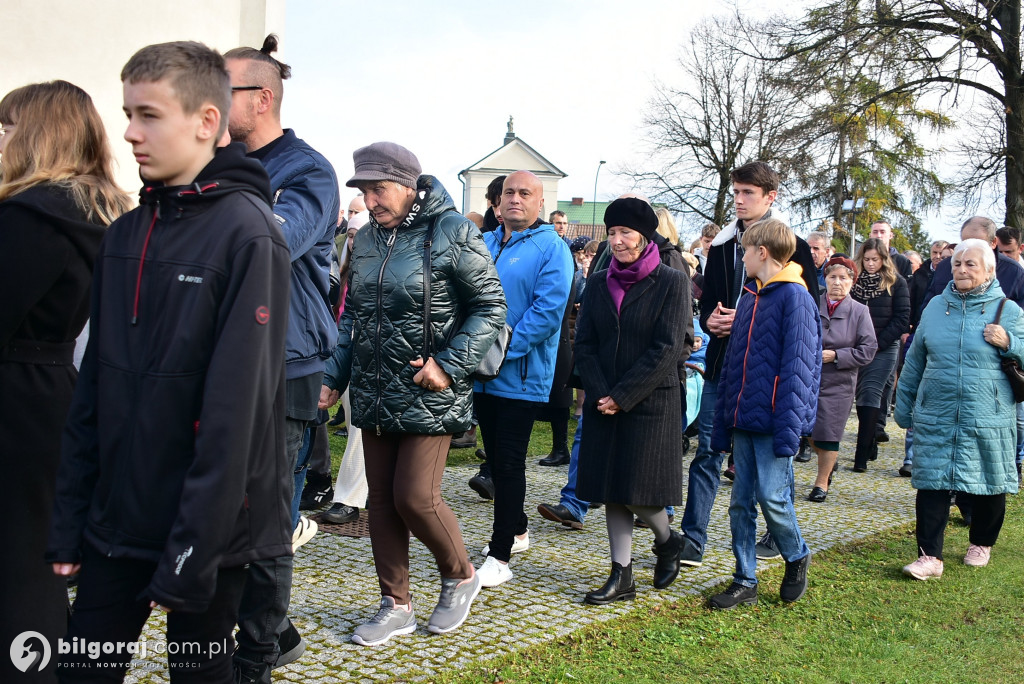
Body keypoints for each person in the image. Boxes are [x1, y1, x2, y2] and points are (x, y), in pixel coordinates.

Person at [46, 41, 292, 680]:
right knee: (82, 668)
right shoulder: (125, 233)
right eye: (128, 113)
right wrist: (70, 521)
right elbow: (93, 390)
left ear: (207, 121)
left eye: (149, 115)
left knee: (197, 673)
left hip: (210, 535)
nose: (130, 132)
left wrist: (189, 552)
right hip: (116, 523)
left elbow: (236, 416)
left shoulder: (250, 234)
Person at [320, 141, 506, 645]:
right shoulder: (367, 239)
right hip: (375, 388)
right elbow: (353, 316)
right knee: (381, 502)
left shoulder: (452, 230)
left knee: (415, 497)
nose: (370, 201)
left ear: (408, 185)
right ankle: (395, 605)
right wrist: (334, 377)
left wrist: (449, 364)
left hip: (430, 388)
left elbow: (490, 306)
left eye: (378, 189)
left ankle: (460, 574)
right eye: (363, 191)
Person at [0, 80, 132, 684]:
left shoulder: (29, 216)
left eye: (8, 127)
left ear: (36, 133)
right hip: (52, 392)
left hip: (14, 397)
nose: (2, 139)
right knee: (33, 560)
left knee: (18, 567)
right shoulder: (96, 214)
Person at [224, 35, 340, 680]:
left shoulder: (305, 171)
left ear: (261, 98)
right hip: (223, 360)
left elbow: (271, 240)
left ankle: (258, 655)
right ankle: (272, 628)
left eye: (222, 91)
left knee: (266, 516)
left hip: (286, 362)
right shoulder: (216, 161)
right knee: (222, 508)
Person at [680, 161, 820, 568]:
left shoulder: (794, 245)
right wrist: (712, 320)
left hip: (769, 376)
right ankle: (693, 538)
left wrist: (745, 318)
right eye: (736, 192)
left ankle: (779, 536)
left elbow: (804, 312)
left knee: (772, 465)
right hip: (723, 365)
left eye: (748, 193)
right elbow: (709, 300)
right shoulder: (723, 244)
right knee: (708, 451)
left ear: (770, 197)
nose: (739, 201)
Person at [574, 198, 692, 604]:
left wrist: (623, 396)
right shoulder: (598, 282)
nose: (617, 241)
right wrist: (601, 392)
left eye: (625, 232)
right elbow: (585, 343)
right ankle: (621, 575)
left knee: (638, 490)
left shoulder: (672, 281)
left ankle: (667, 539)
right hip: (604, 399)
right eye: (612, 233)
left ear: (644, 237)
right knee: (612, 487)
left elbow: (668, 347)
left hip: (651, 401)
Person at [708, 218, 820, 610]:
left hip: (775, 420)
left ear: (763, 252)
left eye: (745, 251)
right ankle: (745, 579)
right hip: (744, 418)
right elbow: (733, 363)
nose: (741, 258)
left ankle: (796, 554)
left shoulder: (796, 298)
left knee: (773, 497)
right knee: (740, 503)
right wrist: (726, 414)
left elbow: (800, 369)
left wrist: (791, 425)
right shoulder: (749, 297)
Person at [895, 239, 1022, 579]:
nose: (962, 270)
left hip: (988, 414)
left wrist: (1009, 342)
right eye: (957, 264)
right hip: (938, 410)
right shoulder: (936, 306)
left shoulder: (1008, 311)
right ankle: (929, 557)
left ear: (989, 271)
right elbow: (915, 361)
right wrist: (905, 406)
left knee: (990, 481)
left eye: (970, 264)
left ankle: (981, 542)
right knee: (932, 482)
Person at [473, 170, 573, 587]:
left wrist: (499, 352)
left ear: (539, 202)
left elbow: (546, 314)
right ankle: (517, 528)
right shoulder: (485, 242)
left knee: (509, 462)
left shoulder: (553, 248)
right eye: (509, 192)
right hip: (481, 374)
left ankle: (500, 556)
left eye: (525, 193)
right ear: (498, 201)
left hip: (521, 375)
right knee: (494, 459)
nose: (515, 198)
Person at [807, 256, 877, 501]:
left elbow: (868, 350)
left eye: (843, 278)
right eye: (833, 277)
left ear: (852, 282)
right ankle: (828, 463)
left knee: (829, 433)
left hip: (839, 381)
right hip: (807, 378)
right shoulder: (811, 304)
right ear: (825, 279)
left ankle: (821, 483)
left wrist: (837, 355)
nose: (837, 282)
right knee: (808, 431)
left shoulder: (860, 311)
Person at [321, 210, 371, 525]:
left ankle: (349, 497)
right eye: (351, 235)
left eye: (360, 234)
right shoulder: (344, 270)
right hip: (343, 353)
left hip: (370, 356)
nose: (354, 241)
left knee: (360, 430)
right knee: (356, 426)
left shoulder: (375, 267)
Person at [849, 237, 910, 472]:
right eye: (866, 259)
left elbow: (901, 318)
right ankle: (870, 440)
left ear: (884, 259)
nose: (871, 264)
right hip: (856, 346)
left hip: (883, 347)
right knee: (857, 395)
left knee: (870, 394)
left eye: (875, 259)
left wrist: (877, 343)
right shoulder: (854, 282)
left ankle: (861, 456)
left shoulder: (896, 282)